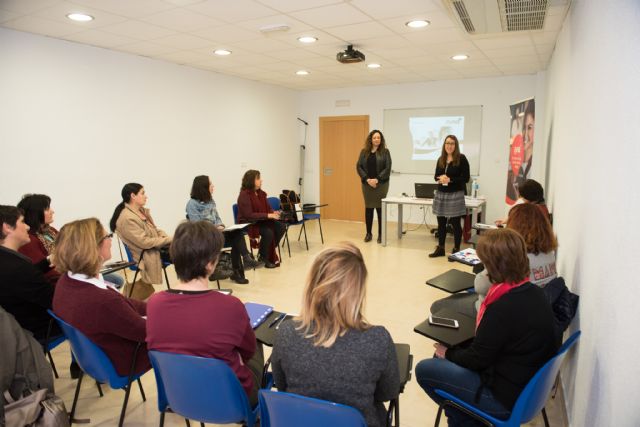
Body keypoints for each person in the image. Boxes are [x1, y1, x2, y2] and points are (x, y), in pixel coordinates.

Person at [417, 229, 559, 426]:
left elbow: (477, 360)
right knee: (448, 357)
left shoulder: (502, 307)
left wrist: (447, 353)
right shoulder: (534, 292)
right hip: (525, 387)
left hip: (504, 398)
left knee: (425, 368)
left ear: (494, 266)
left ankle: (468, 419)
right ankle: (466, 417)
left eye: (485, 263)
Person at [271, 242, 400, 427]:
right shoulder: (378, 339)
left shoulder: (286, 333)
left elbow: (282, 386)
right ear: (358, 291)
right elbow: (388, 392)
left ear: (313, 285)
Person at [146, 221, 264, 406]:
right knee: (256, 339)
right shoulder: (230, 305)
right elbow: (247, 352)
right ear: (210, 264)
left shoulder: (154, 303)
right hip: (230, 400)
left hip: (180, 395)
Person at [52, 218, 150, 377]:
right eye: (107, 237)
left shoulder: (66, 281)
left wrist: (157, 307)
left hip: (93, 359)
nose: (110, 240)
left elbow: (124, 305)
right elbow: (145, 332)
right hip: (124, 360)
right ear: (93, 248)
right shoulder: (102, 301)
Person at [431, 202, 558, 318]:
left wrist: (488, 263)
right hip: (530, 312)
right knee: (460, 297)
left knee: (438, 306)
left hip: (497, 312)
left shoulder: (514, 258)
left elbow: (480, 286)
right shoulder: (549, 254)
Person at [17, 194, 125, 288]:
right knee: (115, 281)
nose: (52, 211)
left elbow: (72, 249)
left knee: (116, 279)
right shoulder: (30, 240)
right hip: (64, 279)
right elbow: (46, 273)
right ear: (35, 213)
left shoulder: (50, 231)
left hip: (74, 272)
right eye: (47, 209)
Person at [186, 175, 261, 284]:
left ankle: (246, 259)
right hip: (204, 238)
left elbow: (217, 218)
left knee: (237, 234)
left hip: (217, 234)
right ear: (203, 187)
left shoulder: (210, 200)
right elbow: (197, 226)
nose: (213, 186)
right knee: (236, 240)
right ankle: (237, 271)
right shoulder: (192, 204)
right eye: (210, 184)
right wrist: (214, 228)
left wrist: (220, 225)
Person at [0, 205, 60, 342]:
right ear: (7, 227)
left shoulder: (7, 260)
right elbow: (56, 301)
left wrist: (48, 261)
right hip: (38, 330)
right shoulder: (18, 268)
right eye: (22, 221)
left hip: (17, 328)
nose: (27, 227)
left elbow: (25, 278)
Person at [110, 183, 171, 300]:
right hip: (145, 254)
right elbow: (145, 242)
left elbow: (154, 230)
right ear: (133, 196)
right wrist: (169, 240)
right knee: (186, 253)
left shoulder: (140, 211)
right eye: (142, 193)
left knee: (185, 249)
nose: (146, 196)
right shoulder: (127, 218)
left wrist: (166, 237)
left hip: (153, 248)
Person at [429, 135, 470, 257]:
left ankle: (456, 249)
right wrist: (440, 178)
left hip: (455, 194)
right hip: (441, 193)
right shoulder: (441, 159)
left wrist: (450, 179)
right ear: (444, 145)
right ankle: (441, 248)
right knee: (441, 223)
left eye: (452, 143)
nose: (449, 146)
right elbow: (435, 175)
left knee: (455, 223)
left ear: (456, 145)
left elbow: (465, 178)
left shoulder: (461, 158)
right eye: (447, 143)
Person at [237, 170, 285, 268]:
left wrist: (273, 213)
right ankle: (263, 257)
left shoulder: (260, 193)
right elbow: (248, 215)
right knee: (268, 232)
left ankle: (265, 251)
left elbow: (267, 208)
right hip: (249, 222)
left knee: (281, 227)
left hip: (261, 220)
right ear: (251, 181)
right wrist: (268, 215)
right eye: (258, 178)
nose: (261, 180)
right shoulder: (244, 195)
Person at [356, 130, 392, 243]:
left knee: (380, 209)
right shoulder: (364, 152)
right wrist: (367, 179)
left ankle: (381, 234)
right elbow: (359, 167)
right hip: (367, 185)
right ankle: (368, 233)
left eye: (379, 138)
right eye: (375, 137)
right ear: (371, 139)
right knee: (369, 208)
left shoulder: (385, 152)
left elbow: (388, 167)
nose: (377, 139)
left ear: (381, 140)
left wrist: (377, 179)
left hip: (381, 185)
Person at [506, 100, 535, 202]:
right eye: (524, 128)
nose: (525, 134)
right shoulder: (518, 167)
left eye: (530, 127)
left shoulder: (532, 168)